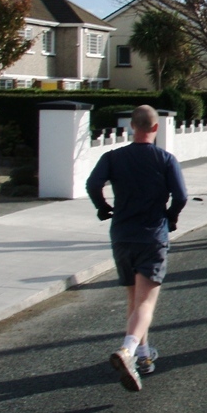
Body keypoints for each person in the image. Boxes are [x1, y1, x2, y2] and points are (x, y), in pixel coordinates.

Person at [86, 105, 188, 392]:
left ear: (132, 126)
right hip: (152, 236)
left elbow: (93, 183)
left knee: (133, 297)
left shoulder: (113, 157)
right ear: (155, 128)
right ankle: (128, 351)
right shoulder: (165, 159)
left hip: (122, 235)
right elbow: (180, 196)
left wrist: (104, 207)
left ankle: (143, 357)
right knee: (146, 303)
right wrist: (170, 217)